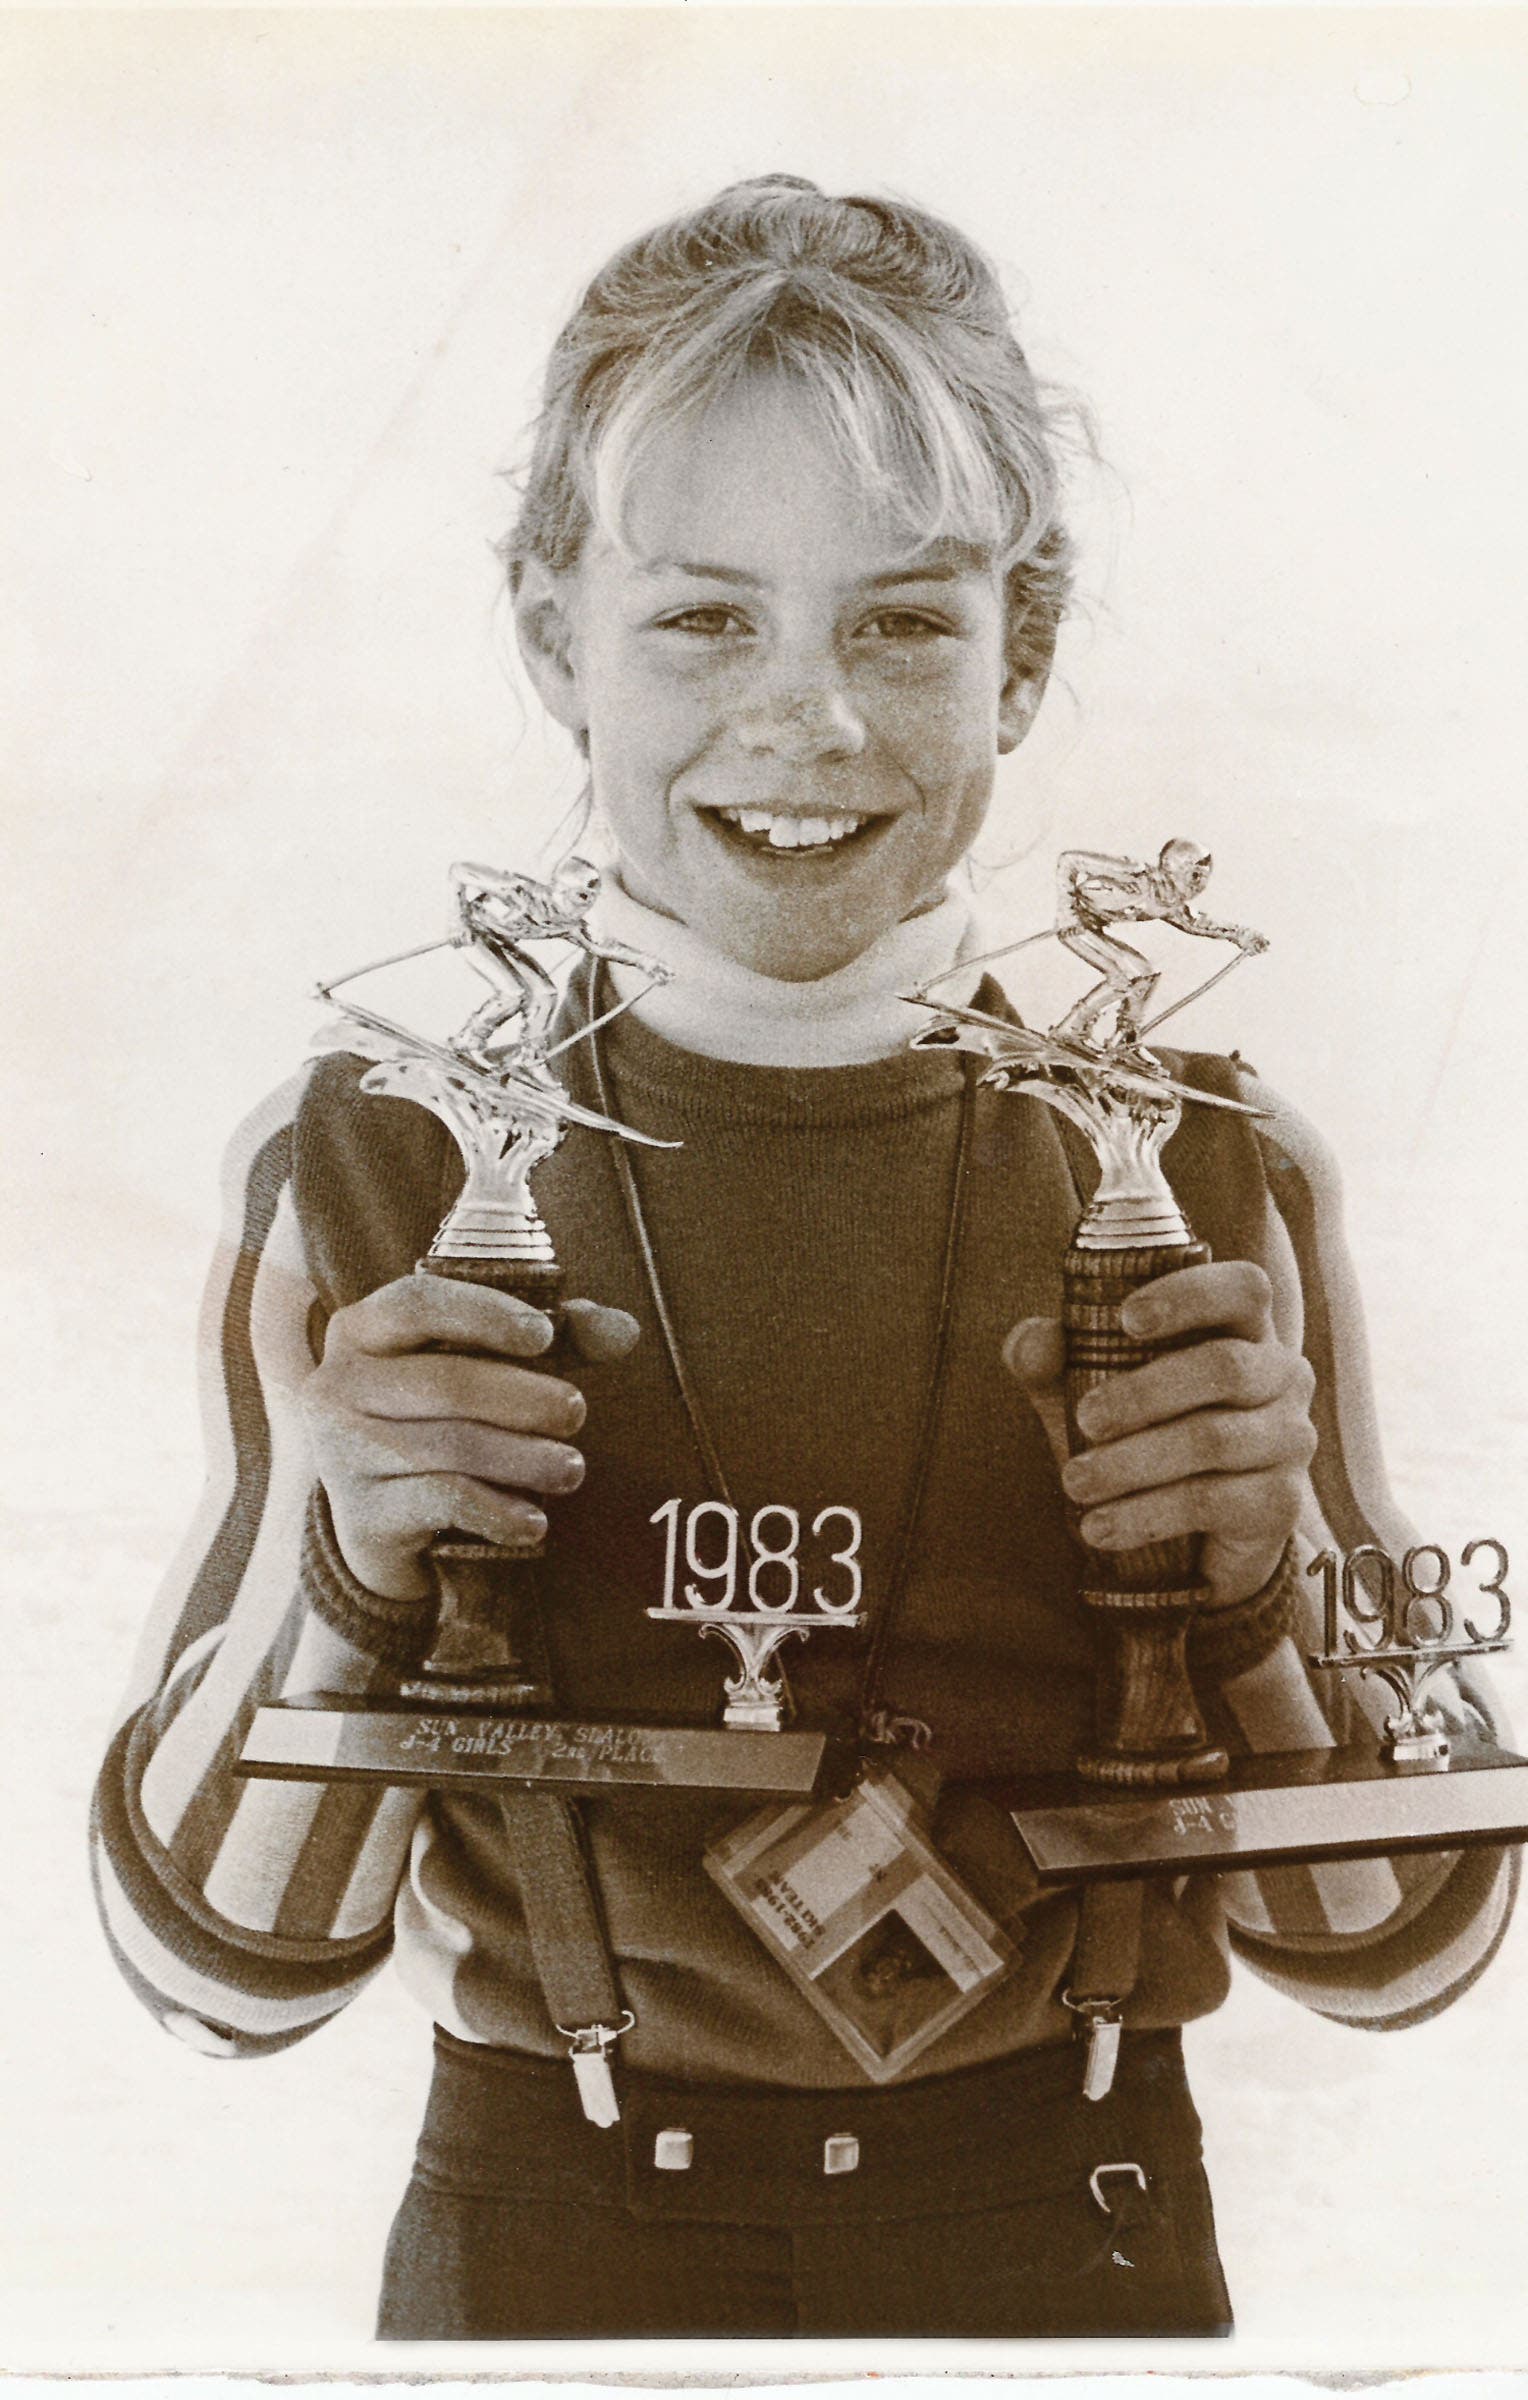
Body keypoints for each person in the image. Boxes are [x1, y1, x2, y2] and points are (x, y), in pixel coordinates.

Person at [92, 174, 1515, 2341]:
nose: (807, 715)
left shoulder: (1209, 1172)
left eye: (902, 621)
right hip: (546, 2243)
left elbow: (1401, 1950)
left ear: (1017, 653)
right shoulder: (373, 1167)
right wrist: (350, 1582)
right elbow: (210, 1971)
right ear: (548, 636)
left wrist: (1242, 1609)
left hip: (1080, 2219)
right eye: (699, 619)